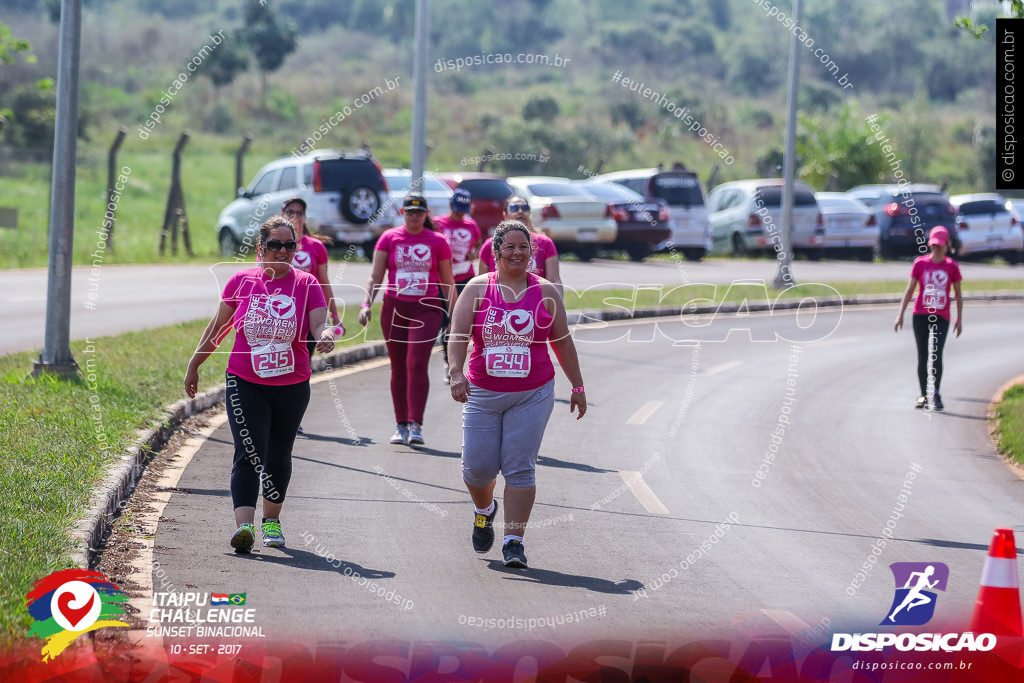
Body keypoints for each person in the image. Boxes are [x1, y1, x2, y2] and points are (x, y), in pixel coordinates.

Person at [184, 215, 335, 553]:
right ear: (260, 248)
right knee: (249, 451)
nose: (283, 251)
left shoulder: (306, 283)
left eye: (289, 245)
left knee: (279, 455)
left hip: (292, 384)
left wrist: (325, 335)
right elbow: (217, 328)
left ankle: (272, 521)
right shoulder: (241, 281)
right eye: (275, 245)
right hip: (244, 380)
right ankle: (244, 527)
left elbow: (319, 322)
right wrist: (194, 365)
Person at [448, 220, 587, 568]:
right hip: (483, 392)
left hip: (533, 392)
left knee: (519, 468)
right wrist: (455, 373)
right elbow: (458, 334)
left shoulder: (546, 293)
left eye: (523, 247)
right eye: (509, 247)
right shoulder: (478, 289)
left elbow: (562, 341)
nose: (517, 253)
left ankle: (514, 542)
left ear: (531, 253)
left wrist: (578, 386)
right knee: (477, 470)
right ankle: (485, 509)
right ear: (495, 253)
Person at [359, 192, 456, 446]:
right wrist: (366, 303)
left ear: (426, 215)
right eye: (409, 212)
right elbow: (375, 276)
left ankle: (416, 425)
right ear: (403, 213)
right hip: (395, 308)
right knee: (398, 365)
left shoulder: (438, 241)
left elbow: (447, 281)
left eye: (419, 212)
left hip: (426, 308)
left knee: (416, 362)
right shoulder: (390, 238)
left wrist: (455, 313)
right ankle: (400, 424)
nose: (414, 216)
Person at [282, 197, 342, 434]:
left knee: (300, 367)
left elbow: (324, 283)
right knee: (279, 363)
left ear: (305, 217)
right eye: (289, 211)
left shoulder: (316, 247)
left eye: (298, 212)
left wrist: (334, 316)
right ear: (282, 213)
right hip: (279, 316)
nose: (294, 216)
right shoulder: (273, 242)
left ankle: (293, 417)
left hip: (309, 319)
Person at [894, 226, 963, 411]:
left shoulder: (951, 267)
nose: (936, 249)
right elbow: (910, 290)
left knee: (937, 355)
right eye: (933, 246)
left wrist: (959, 319)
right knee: (923, 356)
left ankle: (936, 393)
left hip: (942, 316)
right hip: (921, 315)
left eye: (940, 246)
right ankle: (923, 395)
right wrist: (900, 314)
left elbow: (958, 294)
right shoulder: (920, 264)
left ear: (947, 246)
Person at [434, 188, 483, 384]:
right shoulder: (439, 224)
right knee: (445, 323)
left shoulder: (471, 225)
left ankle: (460, 365)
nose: (460, 214)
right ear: (450, 206)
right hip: (442, 279)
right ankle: (449, 362)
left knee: (460, 323)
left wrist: (475, 253)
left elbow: (478, 244)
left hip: (464, 278)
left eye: (463, 210)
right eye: (457, 209)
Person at [478, 196, 563, 297]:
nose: (520, 211)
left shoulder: (545, 243)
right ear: (505, 214)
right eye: (514, 208)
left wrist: (557, 307)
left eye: (525, 208)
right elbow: (481, 284)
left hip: (535, 304)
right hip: (500, 304)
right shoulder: (490, 245)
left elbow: (554, 280)